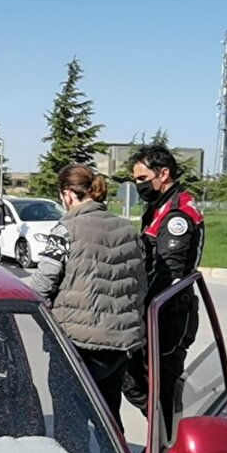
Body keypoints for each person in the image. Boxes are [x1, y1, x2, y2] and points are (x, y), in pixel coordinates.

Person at [27, 164, 146, 430]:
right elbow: (140, 284)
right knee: (109, 421)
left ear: (68, 194)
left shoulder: (65, 229)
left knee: (71, 424)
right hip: (117, 347)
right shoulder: (128, 229)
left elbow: (43, 283)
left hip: (75, 346)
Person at [121, 143, 205, 422]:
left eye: (143, 178)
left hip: (168, 315)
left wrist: (142, 309)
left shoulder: (177, 213)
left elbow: (169, 272)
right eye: (136, 180)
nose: (138, 185)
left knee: (161, 390)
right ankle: (164, 439)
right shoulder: (158, 207)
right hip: (156, 312)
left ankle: (168, 449)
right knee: (135, 383)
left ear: (164, 173)